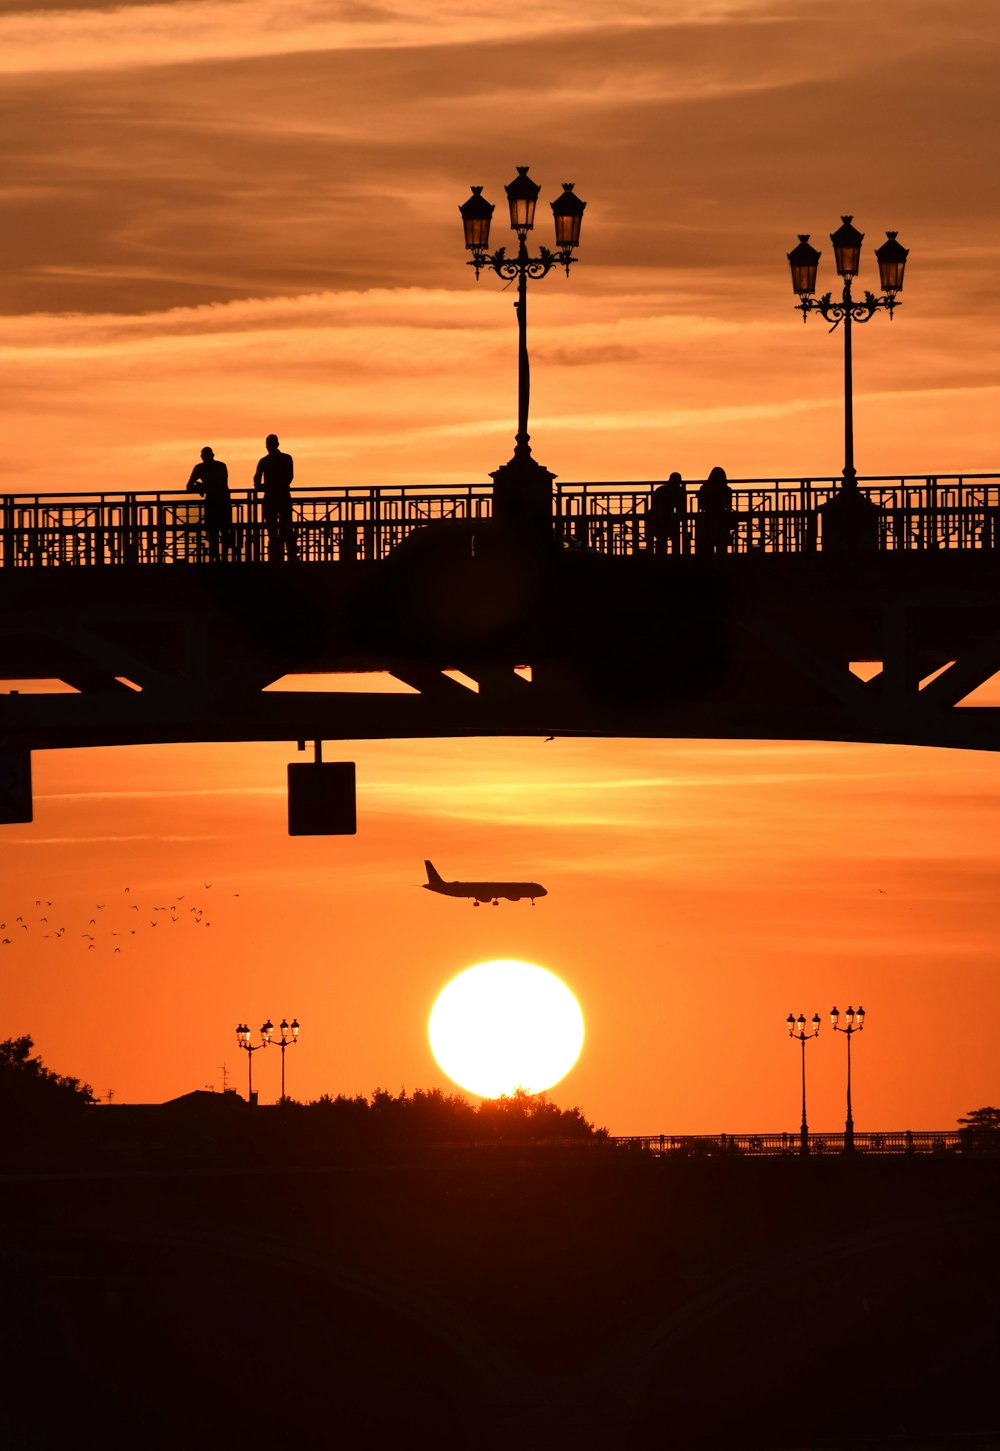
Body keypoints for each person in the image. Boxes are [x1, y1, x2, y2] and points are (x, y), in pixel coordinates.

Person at [253, 433, 297, 562]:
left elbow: (257, 480)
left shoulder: (265, 461)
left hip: (272, 498)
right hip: (281, 496)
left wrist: (264, 486)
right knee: (285, 527)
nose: (269, 447)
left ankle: (276, 557)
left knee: (274, 529)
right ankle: (288, 556)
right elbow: (289, 477)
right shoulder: (286, 458)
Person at [185, 446, 232, 563]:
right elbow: (222, 484)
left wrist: (200, 487)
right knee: (224, 531)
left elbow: (189, 487)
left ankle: (215, 558)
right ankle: (224, 558)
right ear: (213, 455)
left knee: (213, 533)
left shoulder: (199, 468)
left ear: (202, 457)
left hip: (212, 502)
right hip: (224, 502)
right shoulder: (221, 466)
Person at [696, 465, 734, 556]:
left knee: (708, 543)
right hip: (722, 518)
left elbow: (701, 505)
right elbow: (728, 506)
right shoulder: (727, 490)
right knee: (722, 545)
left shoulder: (704, 488)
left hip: (707, 517)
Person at [647, 472, 687, 556]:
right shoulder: (678, 491)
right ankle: (675, 555)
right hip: (665, 517)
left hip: (656, 517)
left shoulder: (661, 489)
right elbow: (680, 508)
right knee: (673, 536)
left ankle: (660, 555)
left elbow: (655, 505)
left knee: (661, 538)